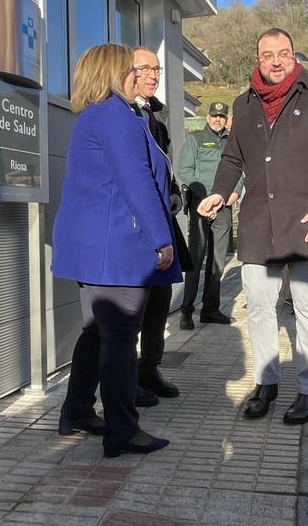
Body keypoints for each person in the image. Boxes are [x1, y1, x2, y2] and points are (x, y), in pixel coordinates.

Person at [198, 28, 308, 425]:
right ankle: (266, 383)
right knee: (258, 308)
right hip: (258, 222)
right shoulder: (244, 103)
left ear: (293, 57)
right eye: (267, 54)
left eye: (283, 54)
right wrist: (220, 192)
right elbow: (233, 158)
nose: (275, 61)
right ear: (257, 59)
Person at [53, 43, 179, 458]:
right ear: (113, 73)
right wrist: (162, 239)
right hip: (117, 249)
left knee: (98, 335)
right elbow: (136, 181)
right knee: (121, 339)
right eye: (129, 70)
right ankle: (123, 430)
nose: (135, 76)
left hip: (96, 248)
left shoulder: (94, 116)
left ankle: (76, 411)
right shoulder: (116, 117)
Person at [130, 46, 192, 406]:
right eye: (145, 69)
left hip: (163, 221)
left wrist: (174, 193)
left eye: (157, 69)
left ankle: (149, 368)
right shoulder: (123, 114)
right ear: (128, 73)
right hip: (139, 228)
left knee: (160, 300)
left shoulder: (156, 117)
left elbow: (162, 167)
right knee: (134, 307)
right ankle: (127, 378)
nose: (154, 75)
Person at [176, 101, 242, 329]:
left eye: (222, 116)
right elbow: (184, 170)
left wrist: (235, 192)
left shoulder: (232, 141)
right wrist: (207, 196)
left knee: (218, 261)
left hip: (223, 208)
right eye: (214, 115)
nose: (218, 119)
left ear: (226, 119)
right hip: (201, 206)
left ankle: (210, 310)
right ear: (207, 117)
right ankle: (186, 311)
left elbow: (239, 170)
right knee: (196, 259)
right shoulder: (194, 140)